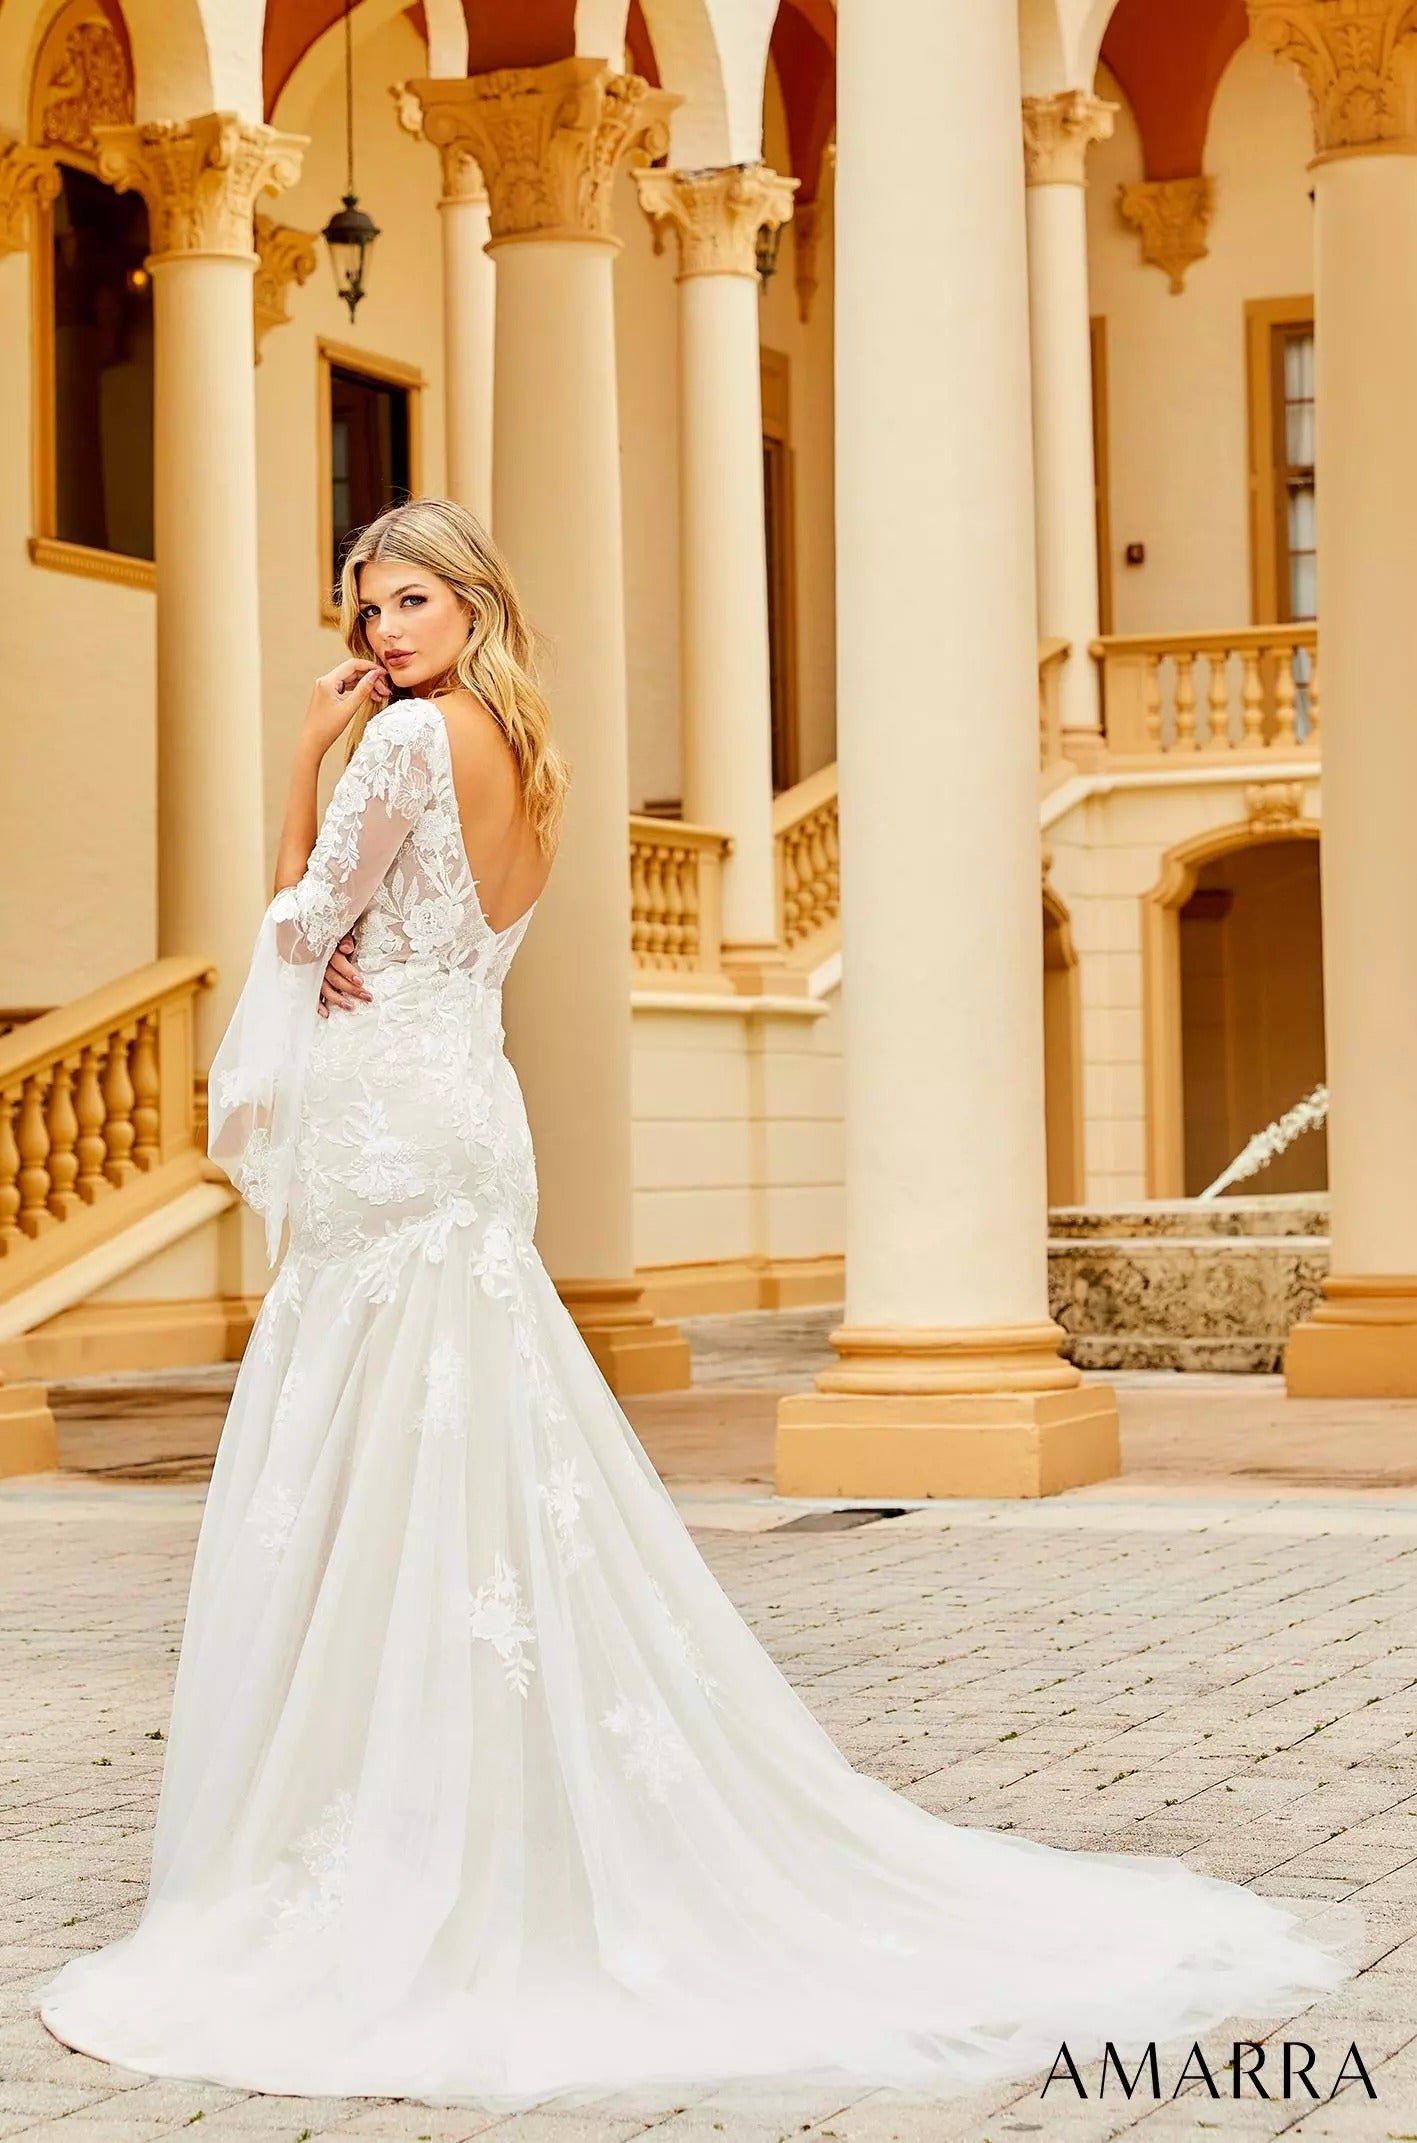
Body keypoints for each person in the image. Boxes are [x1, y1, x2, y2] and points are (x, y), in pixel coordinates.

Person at [37, 497, 1363, 2112]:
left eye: (407, 602)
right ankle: (466, 1783)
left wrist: (296, 770)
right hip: (467, 1106)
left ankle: (393, 1815)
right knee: (464, 1441)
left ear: (471, 602)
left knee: (375, 1440)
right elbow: (471, 940)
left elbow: (309, 923)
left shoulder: (394, 750)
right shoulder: (533, 758)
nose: (381, 633)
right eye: (363, 609)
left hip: (398, 1116)